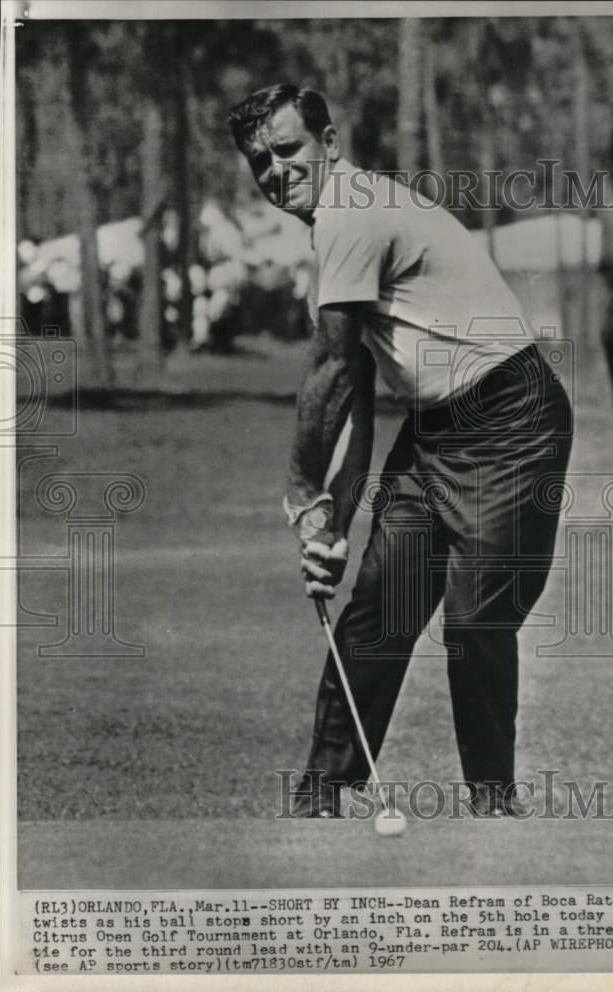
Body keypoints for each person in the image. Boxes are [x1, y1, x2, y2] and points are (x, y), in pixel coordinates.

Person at [229, 84, 573, 818]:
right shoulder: (331, 237)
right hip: (434, 428)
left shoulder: (352, 212)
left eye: (288, 149)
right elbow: (353, 398)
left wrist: (300, 490)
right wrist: (331, 524)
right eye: (260, 162)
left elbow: (326, 375)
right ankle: (321, 795)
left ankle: (493, 802)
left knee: (475, 620)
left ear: (329, 143)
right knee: (378, 608)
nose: (277, 172)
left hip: (511, 419)